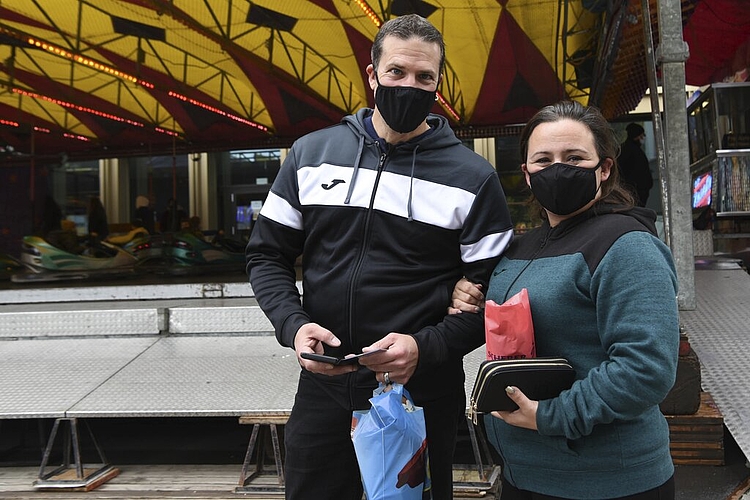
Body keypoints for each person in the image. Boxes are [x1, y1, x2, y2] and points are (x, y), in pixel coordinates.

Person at [246, 14, 514, 500]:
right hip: (324, 387)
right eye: (397, 73)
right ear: (373, 76)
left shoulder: (473, 178)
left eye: (424, 77)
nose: (410, 86)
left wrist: (425, 348)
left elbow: (495, 300)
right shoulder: (310, 155)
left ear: (438, 84)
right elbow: (266, 257)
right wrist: (292, 325)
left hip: (419, 393)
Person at [451, 101, 679, 500]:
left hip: (606, 482)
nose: (558, 169)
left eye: (574, 157)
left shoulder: (628, 246)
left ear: (604, 169)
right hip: (526, 474)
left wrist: (549, 417)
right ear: (526, 173)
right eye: (543, 159)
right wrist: (470, 293)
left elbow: (646, 369)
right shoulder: (523, 247)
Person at [618, 122, 653, 207]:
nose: (643, 138)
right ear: (636, 136)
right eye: (641, 135)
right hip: (635, 191)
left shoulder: (625, 149)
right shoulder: (632, 151)